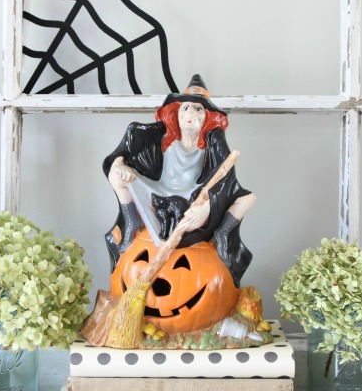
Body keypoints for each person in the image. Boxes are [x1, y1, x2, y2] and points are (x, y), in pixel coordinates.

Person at [103, 75, 255, 286]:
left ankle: (222, 233)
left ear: (207, 117)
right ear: (174, 113)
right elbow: (125, 149)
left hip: (194, 197)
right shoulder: (161, 138)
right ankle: (132, 220)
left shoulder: (213, 142)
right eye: (185, 108)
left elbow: (226, 180)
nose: (191, 113)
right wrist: (119, 164)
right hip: (158, 191)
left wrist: (206, 207)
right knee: (114, 175)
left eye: (198, 109)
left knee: (248, 199)